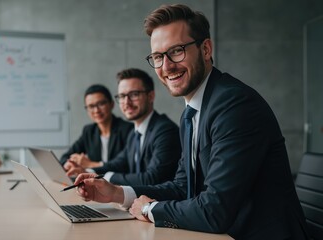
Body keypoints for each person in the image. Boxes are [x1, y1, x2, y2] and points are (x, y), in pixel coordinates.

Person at [74, 4, 308, 239]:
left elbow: (215, 210)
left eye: (176, 51)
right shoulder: (192, 112)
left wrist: (149, 208)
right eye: (157, 57)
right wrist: (117, 194)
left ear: (205, 49)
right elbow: (182, 187)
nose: (166, 67)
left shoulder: (235, 105)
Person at [65, 68, 181, 186]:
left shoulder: (165, 130)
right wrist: (87, 172)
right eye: (122, 96)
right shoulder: (134, 133)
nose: (126, 102)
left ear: (150, 96)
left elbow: (151, 179)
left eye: (134, 94)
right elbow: (118, 164)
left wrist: (105, 176)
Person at [59, 84, 133, 169]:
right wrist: (69, 163)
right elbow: (65, 157)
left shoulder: (128, 130)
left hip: (116, 181)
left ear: (111, 104)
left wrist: (90, 164)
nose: (96, 110)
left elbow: (125, 165)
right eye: (91, 106)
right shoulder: (89, 131)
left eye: (101, 104)